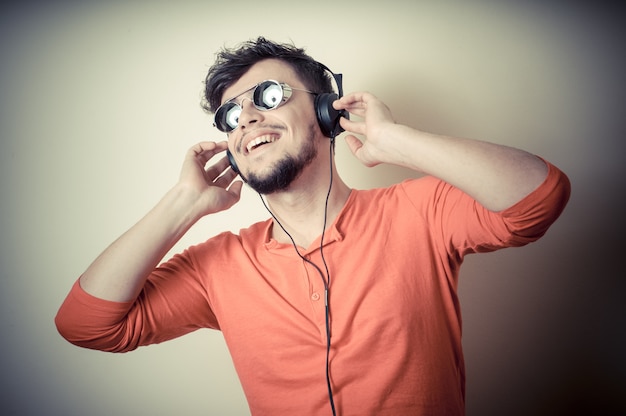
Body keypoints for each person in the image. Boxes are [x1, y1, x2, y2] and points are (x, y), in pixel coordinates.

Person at [55, 37, 570, 415]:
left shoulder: (419, 211)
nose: (248, 118)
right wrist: (184, 203)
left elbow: (539, 197)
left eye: (270, 96)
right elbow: (86, 326)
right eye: (231, 116)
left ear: (327, 111)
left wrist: (395, 141)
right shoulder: (216, 267)